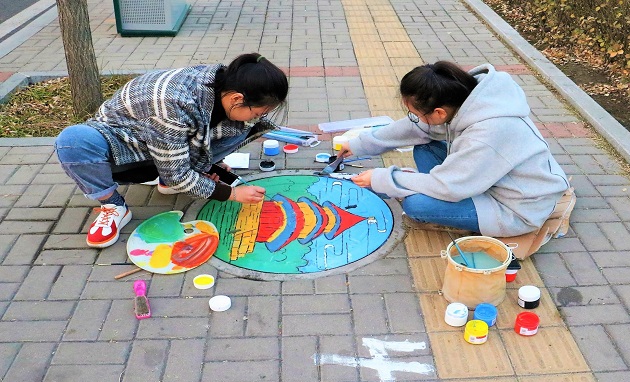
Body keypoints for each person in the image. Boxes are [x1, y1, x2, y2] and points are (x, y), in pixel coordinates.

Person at [55, 53, 288, 248]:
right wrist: (232, 194)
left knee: (242, 127)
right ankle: (114, 205)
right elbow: (177, 172)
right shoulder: (173, 104)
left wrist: (203, 168)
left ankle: (183, 173)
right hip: (125, 148)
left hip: (167, 143)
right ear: (237, 98)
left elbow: (194, 135)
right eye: (258, 112)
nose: (260, 118)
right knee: (73, 142)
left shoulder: (224, 83)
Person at [339, 61, 570, 238]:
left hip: (517, 209)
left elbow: (447, 186)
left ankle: (451, 210)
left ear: (439, 113)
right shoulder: (469, 98)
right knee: (425, 147)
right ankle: (438, 195)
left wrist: (384, 178)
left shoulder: (486, 134)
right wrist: (359, 144)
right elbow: (414, 128)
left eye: (417, 113)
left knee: (415, 205)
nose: (415, 118)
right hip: (490, 182)